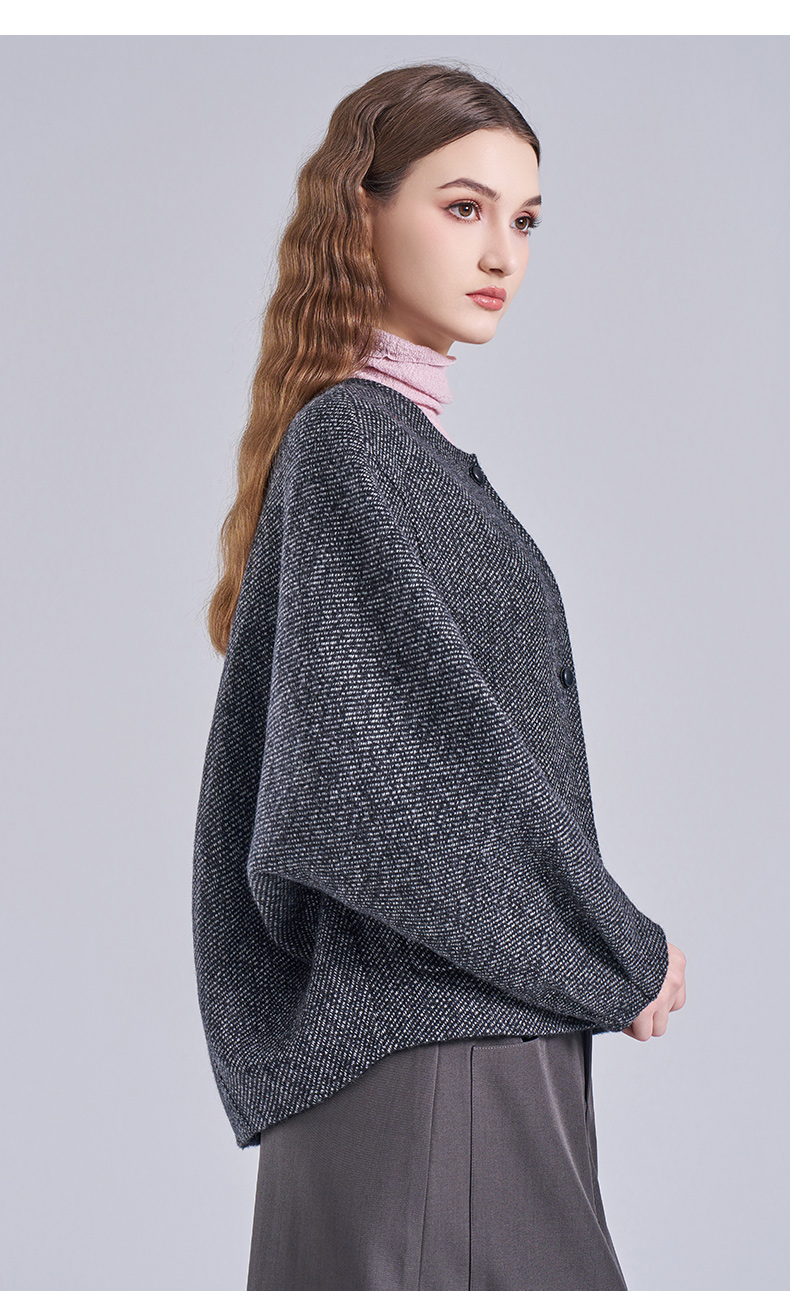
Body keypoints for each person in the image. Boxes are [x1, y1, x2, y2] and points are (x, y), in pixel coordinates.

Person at [192, 61, 687, 1291]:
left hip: (459, 1041)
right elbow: (381, 783)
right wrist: (614, 943)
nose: (501, 253)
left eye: (524, 220)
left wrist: (585, 949)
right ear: (361, 211)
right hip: (436, 1053)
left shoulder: (387, 449)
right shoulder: (353, 444)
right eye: (463, 207)